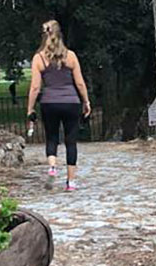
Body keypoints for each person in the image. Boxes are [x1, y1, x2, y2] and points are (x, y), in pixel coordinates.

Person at [26, 20, 91, 191]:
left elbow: (35, 87)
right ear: (60, 34)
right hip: (71, 103)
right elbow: (80, 83)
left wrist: (30, 109)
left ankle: (53, 166)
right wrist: (86, 101)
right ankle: (70, 182)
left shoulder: (38, 58)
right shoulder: (71, 56)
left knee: (52, 137)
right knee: (71, 141)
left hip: (49, 103)